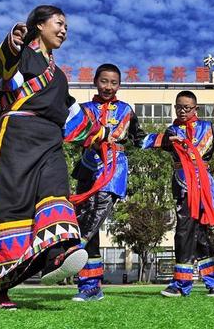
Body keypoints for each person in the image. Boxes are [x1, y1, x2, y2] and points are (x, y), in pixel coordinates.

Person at [0, 6, 108, 309]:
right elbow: (1, 65)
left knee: (56, 190)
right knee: (11, 208)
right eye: (59, 23)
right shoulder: (23, 55)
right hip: (17, 136)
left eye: (67, 26)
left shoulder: (59, 77)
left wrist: (100, 135)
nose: (64, 30)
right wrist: (14, 42)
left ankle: (59, 252)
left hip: (50, 140)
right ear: (39, 26)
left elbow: (70, 114)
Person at [146, 91, 214, 297]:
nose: (182, 111)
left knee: (186, 230)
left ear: (195, 108)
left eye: (187, 107)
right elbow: (147, 141)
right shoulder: (171, 130)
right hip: (181, 182)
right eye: (179, 107)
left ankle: (181, 283)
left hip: (202, 184)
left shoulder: (208, 128)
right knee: (196, 233)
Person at [69, 64, 152, 302]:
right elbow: (72, 134)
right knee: (88, 227)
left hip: (114, 168)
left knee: (92, 218)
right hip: (88, 168)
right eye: (104, 81)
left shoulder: (126, 110)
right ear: (95, 81)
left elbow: (140, 138)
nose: (108, 86)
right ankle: (90, 287)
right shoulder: (84, 110)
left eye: (113, 82)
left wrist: (166, 139)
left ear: (119, 85)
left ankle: (65, 255)